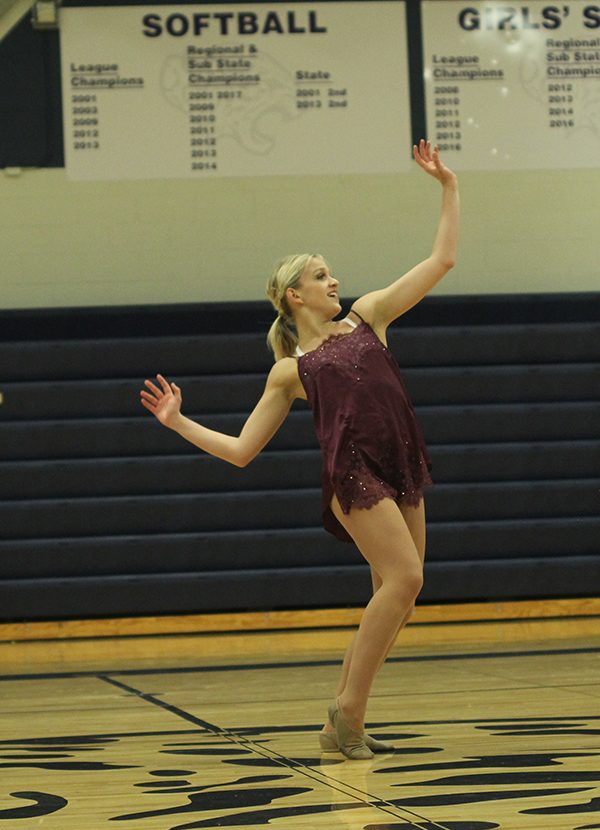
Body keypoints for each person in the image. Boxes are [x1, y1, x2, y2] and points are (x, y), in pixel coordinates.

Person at [140, 139, 459, 760]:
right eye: (320, 274)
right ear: (295, 295)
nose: (333, 279)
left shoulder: (369, 318)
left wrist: (448, 186)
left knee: (399, 597)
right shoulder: (292, 370)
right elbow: (240, 450)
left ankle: (340, 716)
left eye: (330, 272)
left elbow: (442, 259)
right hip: (356, 477)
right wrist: (179, 423)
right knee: (406, 577)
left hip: (401, 464)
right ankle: (350, 714)